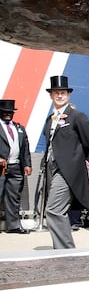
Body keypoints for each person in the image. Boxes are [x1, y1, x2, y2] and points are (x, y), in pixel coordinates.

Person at [41, 76, 89, 249]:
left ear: (68, 95)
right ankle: (63, 248)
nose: (59, 96)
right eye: (56, 93)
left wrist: (78, 160)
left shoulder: (77, 116)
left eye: (62, 93)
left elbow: (88, 142)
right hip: (52, 167)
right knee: (58, 209)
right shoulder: (50, 119)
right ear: (51, 96)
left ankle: (65, 250)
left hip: (68, 170)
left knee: (53, 209)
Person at [0, 99, 32, 234]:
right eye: (5, 112)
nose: (8, 114)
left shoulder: (19, 128)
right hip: (1, 168)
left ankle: (13, 226)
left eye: (10, 112)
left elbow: (25, 148)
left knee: (14, 198)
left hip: (16, 167)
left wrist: (27, 164)